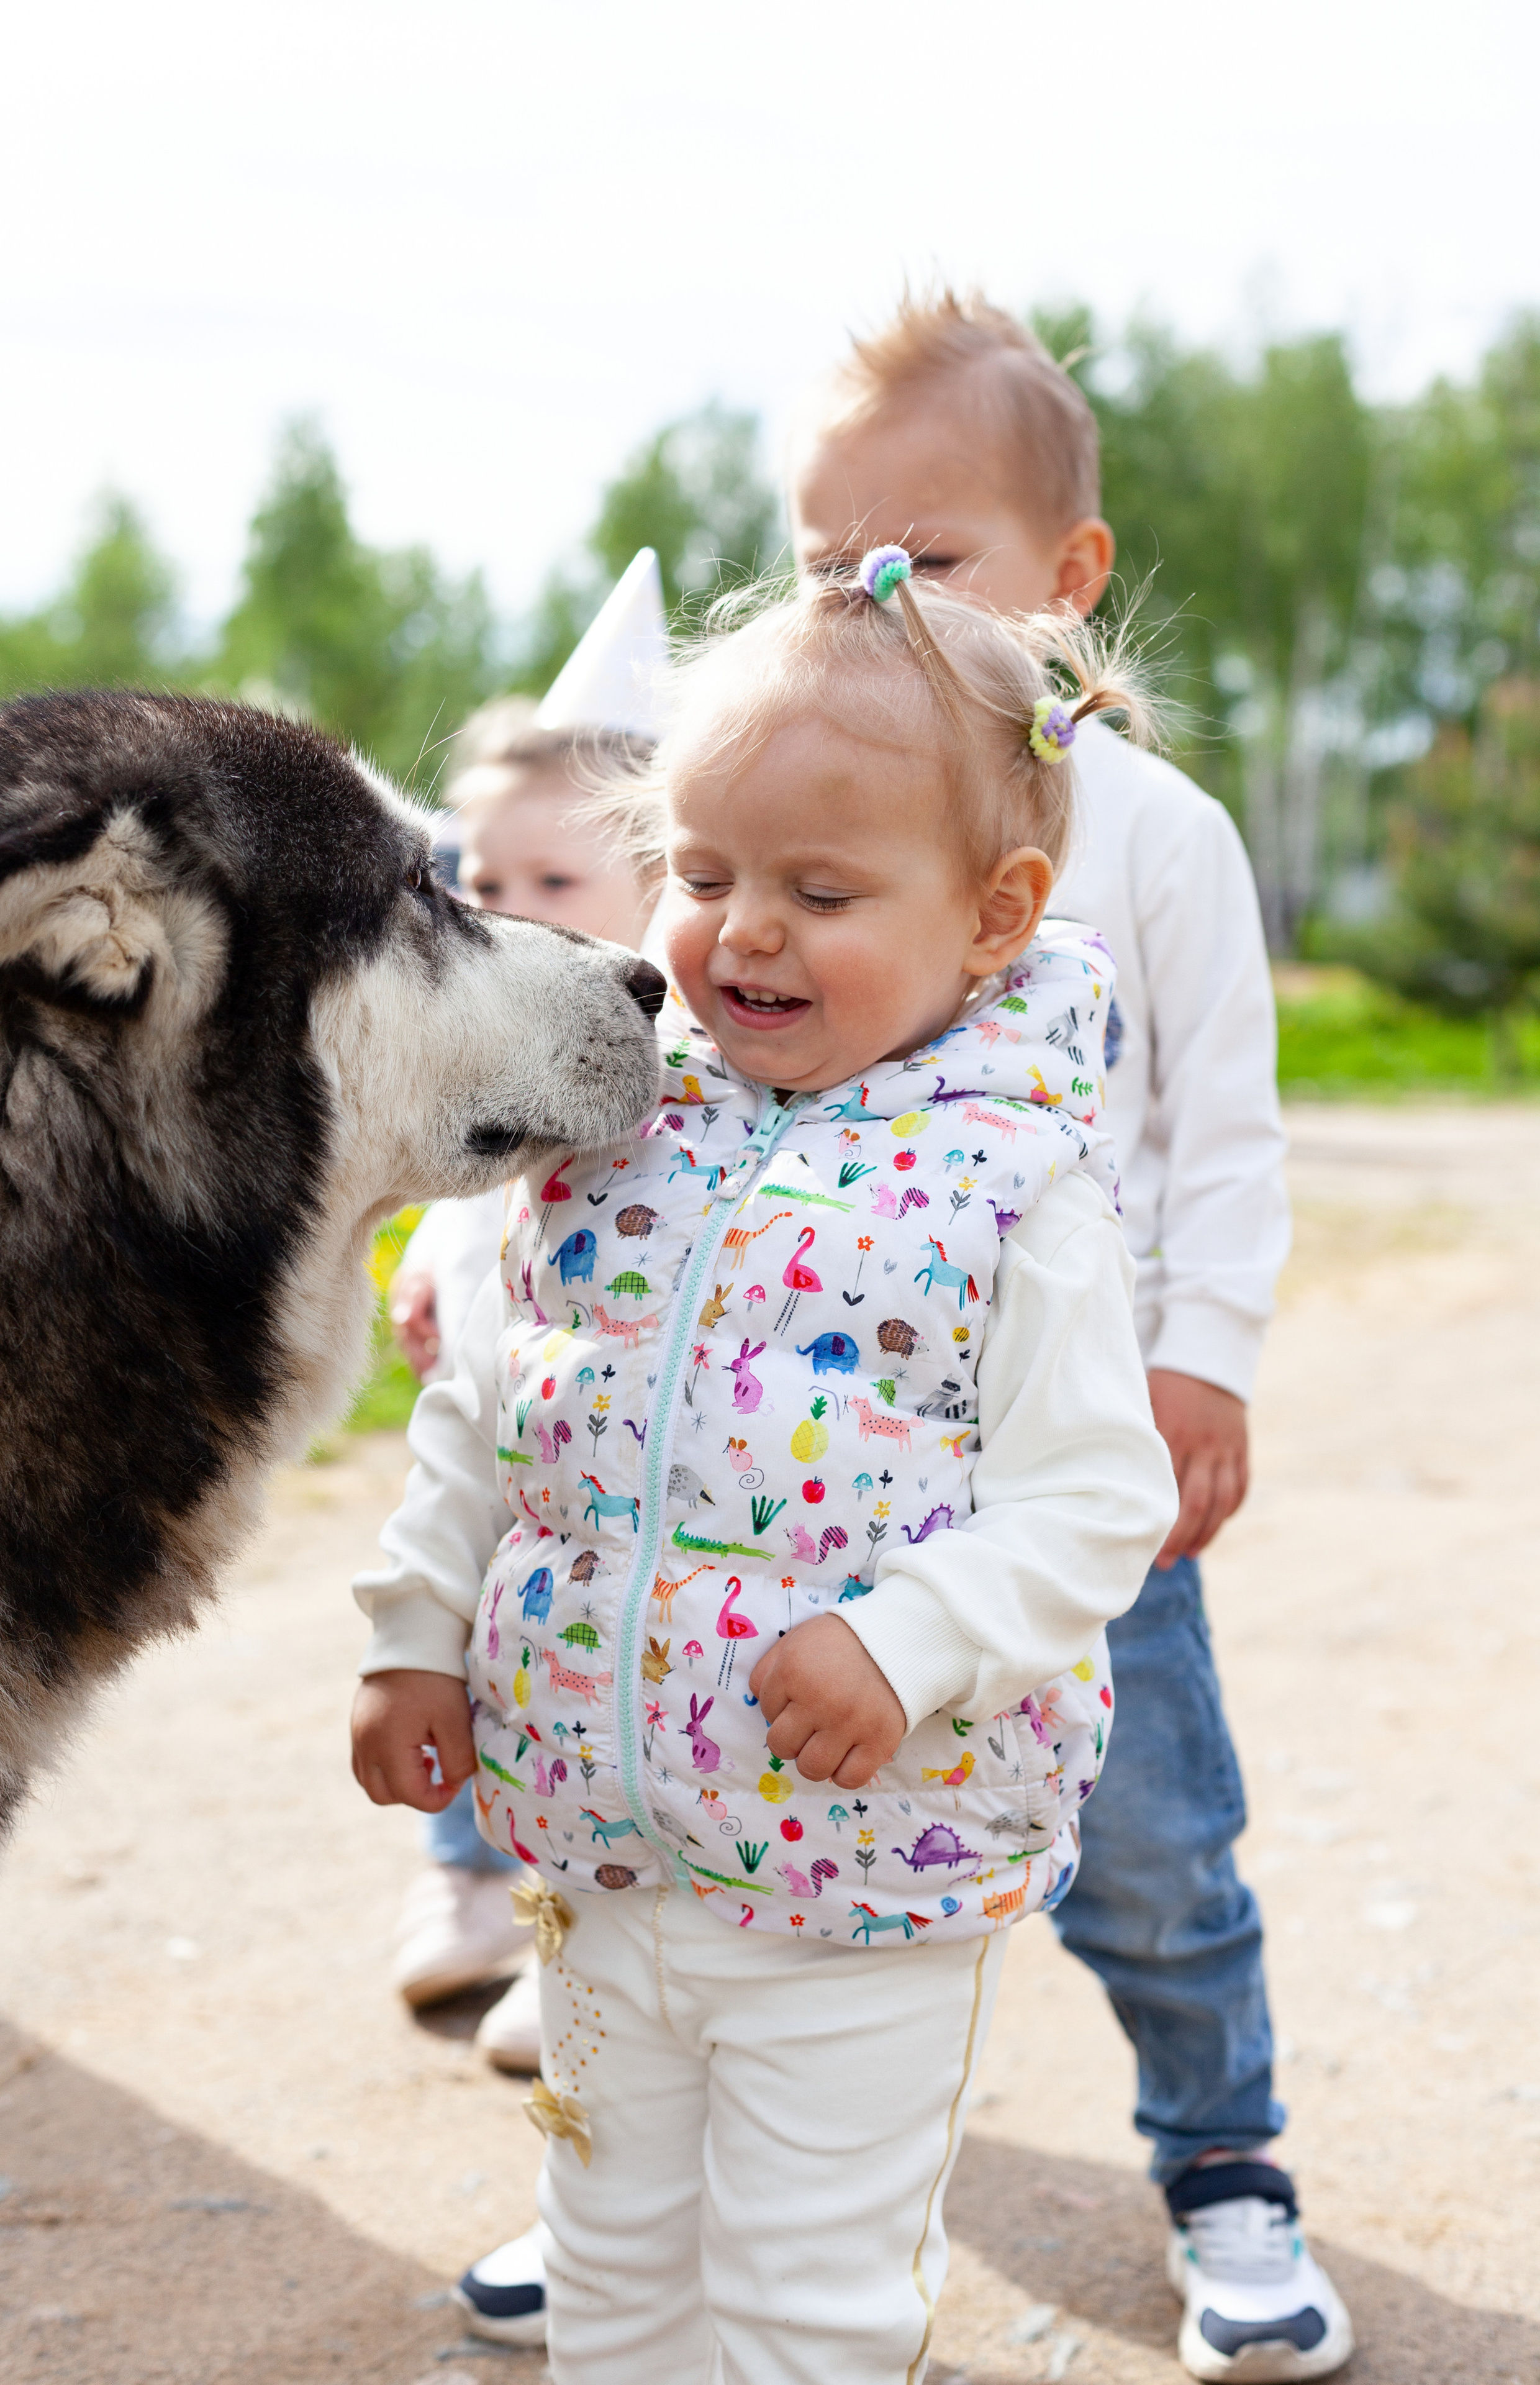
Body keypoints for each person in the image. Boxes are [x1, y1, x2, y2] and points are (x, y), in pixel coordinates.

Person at [349, 554, 1179, 2384]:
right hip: (605, 1849)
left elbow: (1097, 1502)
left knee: (809, 2299)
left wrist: (910, 1638)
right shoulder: (614, 1127)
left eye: (822, 890)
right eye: (707, 879)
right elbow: (495, 1405)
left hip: (859, 1884)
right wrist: (418, 1630)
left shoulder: (1007, 1198)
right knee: (613, 2264)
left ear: (995, 917)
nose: (745, 935)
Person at [784, 290, 1351, 2383]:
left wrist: (1208, 1357)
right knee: (780, 1819)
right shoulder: (822, 814)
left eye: (926, 560)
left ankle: (1228, 2170)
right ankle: (697, 2180)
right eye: (832, 560)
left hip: (1078, 1455)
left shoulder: (1156, 836)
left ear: (1067, 575)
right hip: (824, 1452)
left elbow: (1223, 1133)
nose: (877, 601)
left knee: (1155, 1843)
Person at [386, 578, 666, 2049]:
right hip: (495, 1411)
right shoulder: (483, 1038)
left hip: (620, 1448)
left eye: (553, 887)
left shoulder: (678, 1050)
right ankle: (460, 1883)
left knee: (580, 1672)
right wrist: (429, 1264)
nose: (503, 915)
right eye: (475, 884)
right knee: (458, 1627)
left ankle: (573, 1953)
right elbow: (457, 1172)